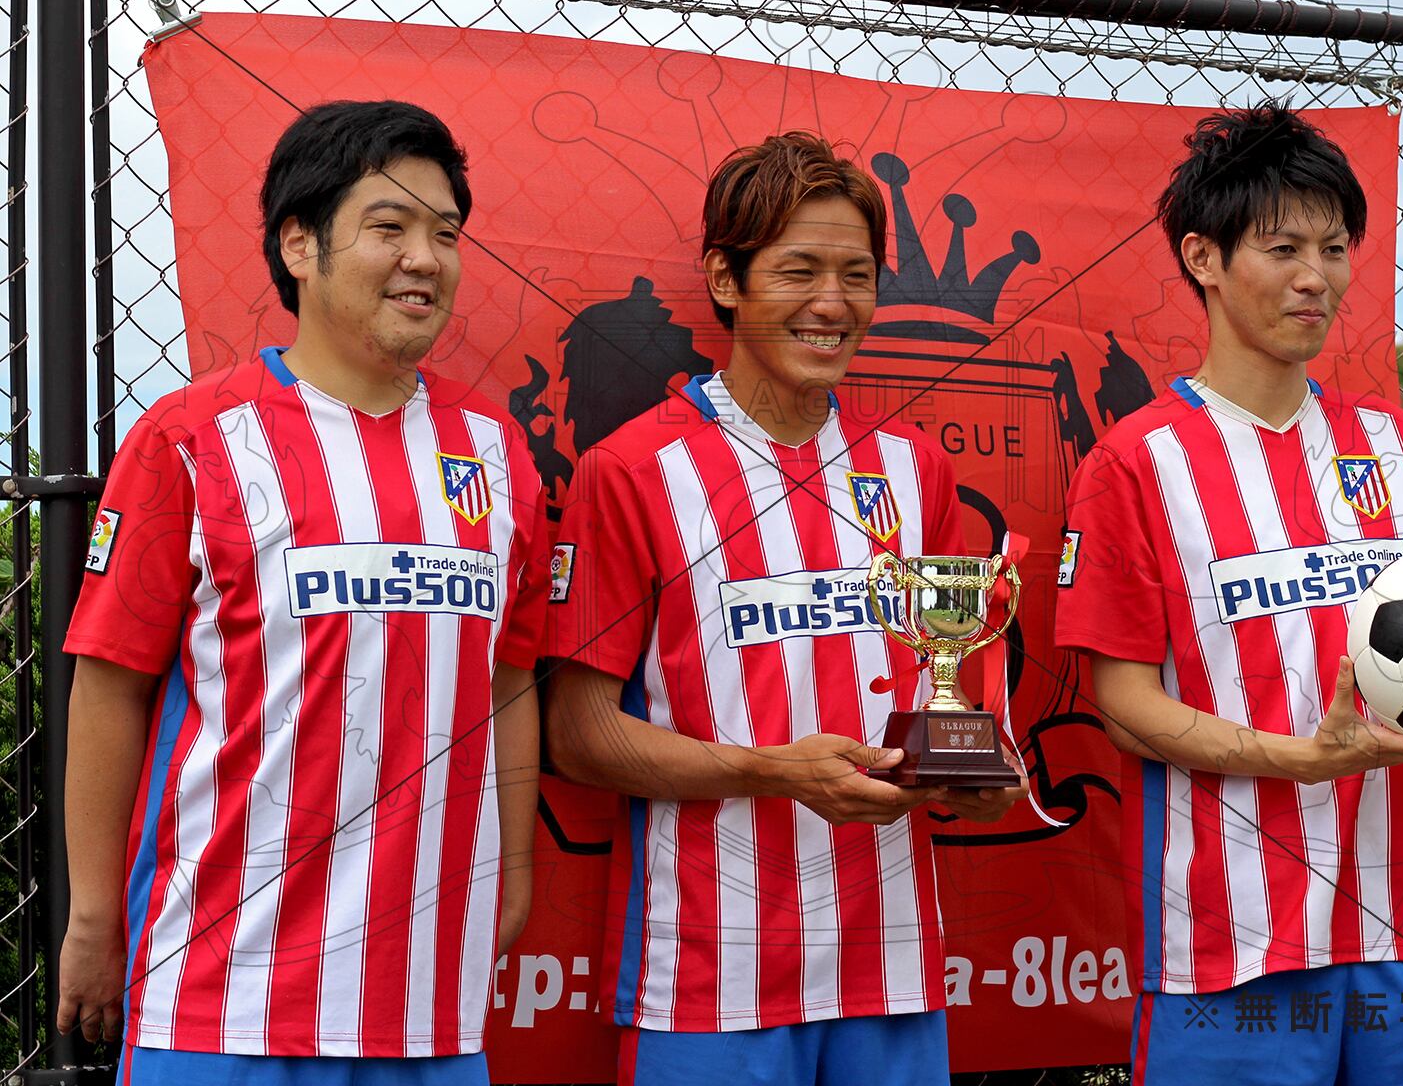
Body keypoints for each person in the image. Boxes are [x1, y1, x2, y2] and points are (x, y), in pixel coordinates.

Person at [57, 100, 549, 1084]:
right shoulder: (191, 437)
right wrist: (94, 917)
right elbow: (109, 684)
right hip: (220, 1005)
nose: (425, 259)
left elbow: (509, 679)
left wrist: (517, 874)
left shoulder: (496, 450)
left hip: (429, 1009)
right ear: (299, 244)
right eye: (389, 226)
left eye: (447, 233)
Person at [544, 131, 1026, 1085]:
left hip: (891, 971)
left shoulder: (915, 469)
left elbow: (951, 692)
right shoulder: (631, 471)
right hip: (708, 977)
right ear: (726, 280)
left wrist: (977, 771)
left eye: (857, 275)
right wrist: (769, 771)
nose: (833, 304)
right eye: (799, 272)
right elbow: (578, 735)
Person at [1054, 103, 1403, 1085]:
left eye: (1333, 248)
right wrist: (1303, 759)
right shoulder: (1135, 462)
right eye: (1283, 248)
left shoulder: (1396, 446)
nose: (1314, 277)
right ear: (1203, 258)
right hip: (1226, 950)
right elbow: (1121, 705)